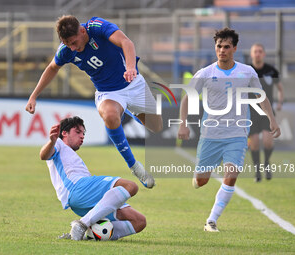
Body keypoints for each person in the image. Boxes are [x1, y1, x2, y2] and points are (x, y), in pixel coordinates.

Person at [25, 15, 163, 189]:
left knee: (157, 127)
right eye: (68, 44)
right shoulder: (66, 50)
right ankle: (134, 166)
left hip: (132, 83)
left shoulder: (97, 27)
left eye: (74, 42)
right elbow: (52, 68)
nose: (72, 48)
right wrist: (34, 95)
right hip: (108, 93)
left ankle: (131, 111)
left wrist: (130, 67)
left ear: (82, 31)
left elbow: (126, 43)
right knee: (111, 115)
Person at [178, 28, 281, 232]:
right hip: (211, 134)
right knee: (202, 180)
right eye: (219, 46)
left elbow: (261, 97)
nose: (222, 50)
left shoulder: (247, 72)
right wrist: (182, 123)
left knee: (232, 174)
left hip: (237, 134)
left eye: (226, 47)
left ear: (234, 48)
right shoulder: (206, 73)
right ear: (215, 48)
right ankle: (198, 178)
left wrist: (271, 119)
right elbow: (186, 99)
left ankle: (211, 220)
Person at [40, 116, 146, 241]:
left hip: (86, 199)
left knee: (139, 221)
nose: (82, 136)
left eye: (83, 133)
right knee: (130, 186)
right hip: (78, 189)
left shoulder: (72, 155)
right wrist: (52, 141)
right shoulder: (58, 144)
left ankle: (88, 235)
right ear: (64, 133)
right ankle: (82, 224)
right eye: (77, 132)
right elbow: (44, 155)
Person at [249, 43, 284, 182]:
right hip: (251, 111)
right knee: (255, 142)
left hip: (267, 111)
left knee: (268, 142)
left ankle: (267, 163)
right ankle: (257, 170)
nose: (257, 54)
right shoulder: (247, 70)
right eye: (255, 51)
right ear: (252, 54)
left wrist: (280, 102)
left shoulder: (271, 70)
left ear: (263, 54)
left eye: (260, 51)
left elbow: (280, 88)